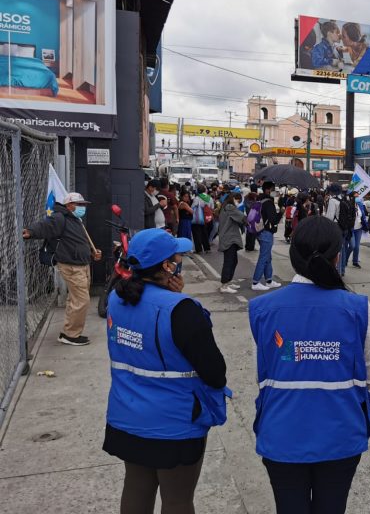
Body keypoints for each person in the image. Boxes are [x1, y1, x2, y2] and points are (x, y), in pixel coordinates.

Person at [248, 216, 370, 514]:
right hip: (340, 432)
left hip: (281, 433)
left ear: (293, 255)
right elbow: (369, 374)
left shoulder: (262, 308)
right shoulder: (357, 306)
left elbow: (266, 369)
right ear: (337, 256)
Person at [104, 229, 229, 514]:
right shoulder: (182, 310)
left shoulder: (117, 298)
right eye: (176, 256)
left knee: (136, 487)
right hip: (174, 424)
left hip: (128, 416)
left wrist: (170, 296)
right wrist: (175, 300)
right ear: (166, 266)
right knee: (177, 500)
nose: (179, 259)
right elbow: (215, 373)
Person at [23, 192, 102, 346]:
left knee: (75, 299)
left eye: (83, 205)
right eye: (80, 204)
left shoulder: (76, 220)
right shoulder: (60, 217)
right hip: (71, 265)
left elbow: (79, 241)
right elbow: (45, 226)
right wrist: (30, 231)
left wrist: (92, 252)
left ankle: (68, 332)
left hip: (81, 264)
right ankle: (71, 335)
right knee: (81, 300)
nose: (83, 207)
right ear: (69, 205)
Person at [251, 181, 283, 291]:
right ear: (268, 190)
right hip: (266, 232)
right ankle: (256, 282)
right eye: (273, 189)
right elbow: (273, 219)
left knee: (267, 257)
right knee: (264, 257)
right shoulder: (268, 203)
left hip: (259, 231)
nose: (275, 191)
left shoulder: (260, 199)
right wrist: (281, 212)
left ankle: (269, 280)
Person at [218, 194, 246, 294]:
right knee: (229, 262)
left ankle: (228, 281)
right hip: (229, 238)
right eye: (238, 200)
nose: (238, 202)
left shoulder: (226, 207)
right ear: (233, 199)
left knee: (233, 261)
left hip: (230, 238)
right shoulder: (229, 207)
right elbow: (241, 217)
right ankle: (224, 285)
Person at [347, 190, 368, 269]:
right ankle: (345, 260)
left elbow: (363, 216)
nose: (357, 198)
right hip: (351, 228)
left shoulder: (359, 205)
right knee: (352, 246)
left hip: (358, 228)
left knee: (357, 247)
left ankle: (355, 262)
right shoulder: (348, 205)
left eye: (358, 196)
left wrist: (365, 225)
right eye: (356, 196)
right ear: (351, 197)